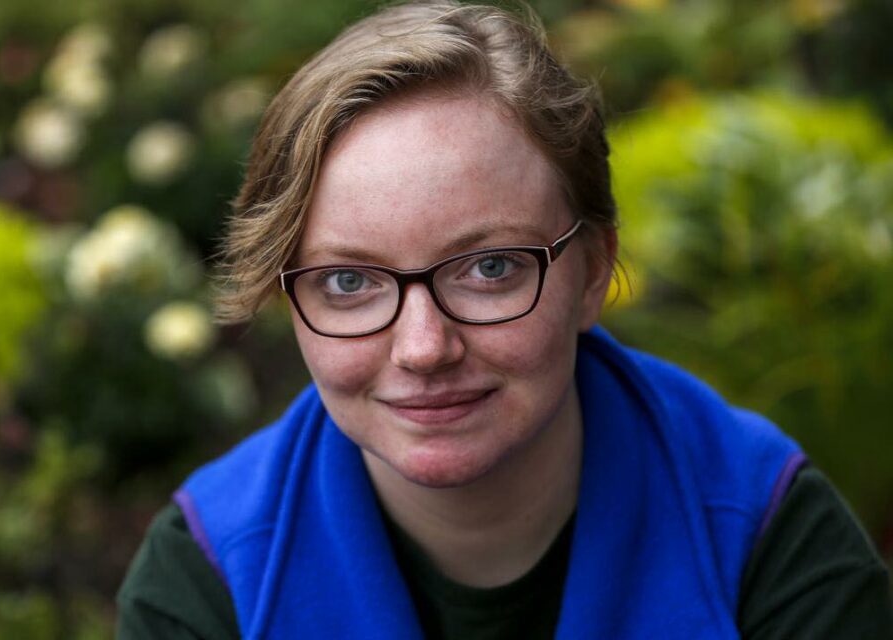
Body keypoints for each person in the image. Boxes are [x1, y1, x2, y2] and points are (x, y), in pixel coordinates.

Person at [117, 2, 893, 638]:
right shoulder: (210, 581)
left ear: (591, 269)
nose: (423, 348)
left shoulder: (764, 539)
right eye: (348, 281)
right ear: (290, 301)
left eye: (490, 268)